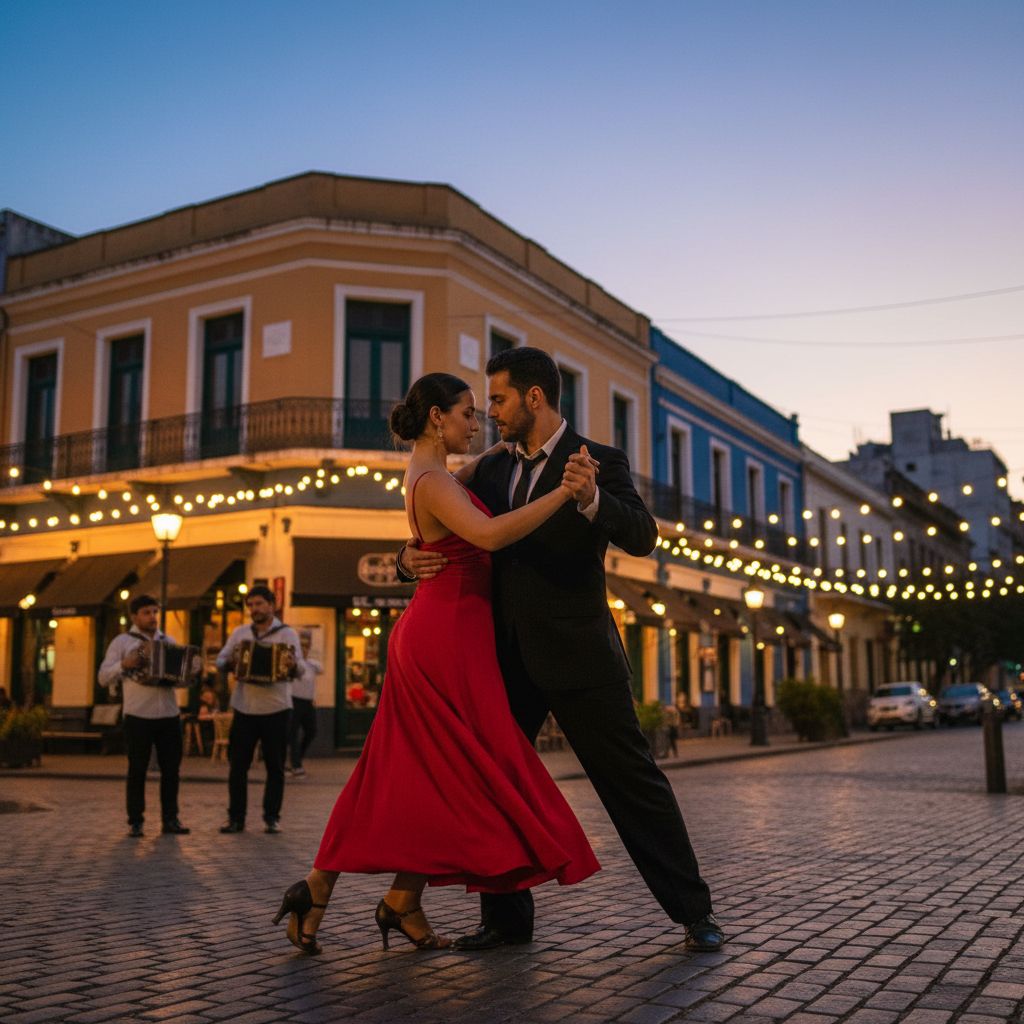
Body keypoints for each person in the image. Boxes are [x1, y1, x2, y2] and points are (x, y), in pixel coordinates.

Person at [399, 346, 724, 953]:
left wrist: (592, 500)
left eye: (497, 399)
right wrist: (404, 556)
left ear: (535, 398)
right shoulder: (490, 470)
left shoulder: (597, 460)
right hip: (501, 659)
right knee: (495, 784)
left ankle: (694, 913)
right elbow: (436, 518)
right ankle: (504, 921)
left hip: (582, 658)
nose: (489, 412)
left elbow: (643, 536)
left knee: (633, 783)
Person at [273, 372, 599, 955]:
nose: (476, 423)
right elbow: (491, 535)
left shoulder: (435, 474)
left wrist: (500, 450)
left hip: (450, 633)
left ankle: (384, 898)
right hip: (443, 639)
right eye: (468, 413)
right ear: (436, 418)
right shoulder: (429, 480)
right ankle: (338, 889)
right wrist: (562, 494)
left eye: (480, 413)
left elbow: (464, 487)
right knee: (453, 765)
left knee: (424, 771)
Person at [97, 595, 190, 838]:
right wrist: (124, 665)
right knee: (137, 769)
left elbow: (180, 680)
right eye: (147, 612)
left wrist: (186, 674)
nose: (152, 617)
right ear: (135, 616)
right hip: (138, 715)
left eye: (154, 612)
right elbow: (103, 676)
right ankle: (135, 821)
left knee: (172, 770)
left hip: (169, 714)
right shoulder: (122, 642)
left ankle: (170, 819)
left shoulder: (168, 641)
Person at [216, 586, 302, 835]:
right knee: (238, 766)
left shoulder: (287, 635)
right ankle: (236, 818)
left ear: (271, 605)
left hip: (277, 707)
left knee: (275, 766)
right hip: (244, 707)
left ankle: (272, 817)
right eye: (250, 605)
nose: (254, 609)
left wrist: (293, 664)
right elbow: (220, 661)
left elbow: (301, 671)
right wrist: (231, 660)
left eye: (259, 604)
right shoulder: (240, 633)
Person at [288, 630, 321, 777]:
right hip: (294, 700)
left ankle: (297, 758)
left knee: (311, 731)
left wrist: (308, 660)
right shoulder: (294, 665)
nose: (304, 650)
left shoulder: (311, 664)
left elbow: (321, 668)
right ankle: (296, 765)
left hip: (308, 702)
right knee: (292, 734)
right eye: (301, 648)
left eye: (306, 648)